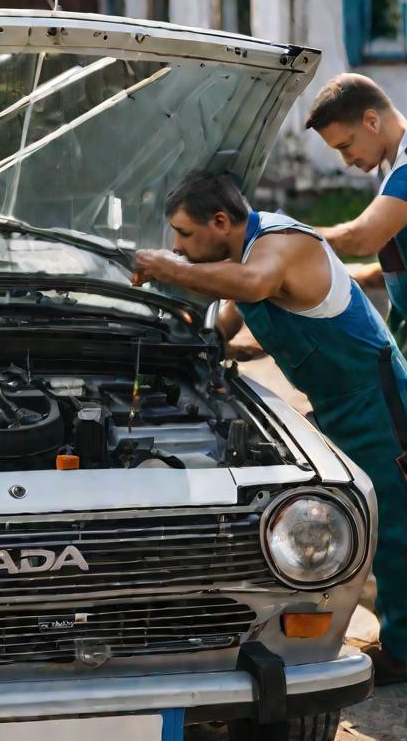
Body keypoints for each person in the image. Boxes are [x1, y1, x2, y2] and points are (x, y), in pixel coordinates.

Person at [131, 171, 407, 684]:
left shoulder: (280, 244)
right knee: (355, 519)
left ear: (220, 221)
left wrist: (165, 267)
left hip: (377, 401)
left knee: (395, 526)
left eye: (184, 235)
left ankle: (404, 651)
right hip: (334, 402)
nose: (178, 247)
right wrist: (202, 346)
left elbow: (255, 284)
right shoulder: (243, 258)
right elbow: (234, 313)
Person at [305, 74, 407, 348]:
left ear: (372, 121)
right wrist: (347, 277)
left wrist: (288, 238)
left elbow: (364, 237)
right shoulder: (389, 169)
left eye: (345, 146)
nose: (346, 162)